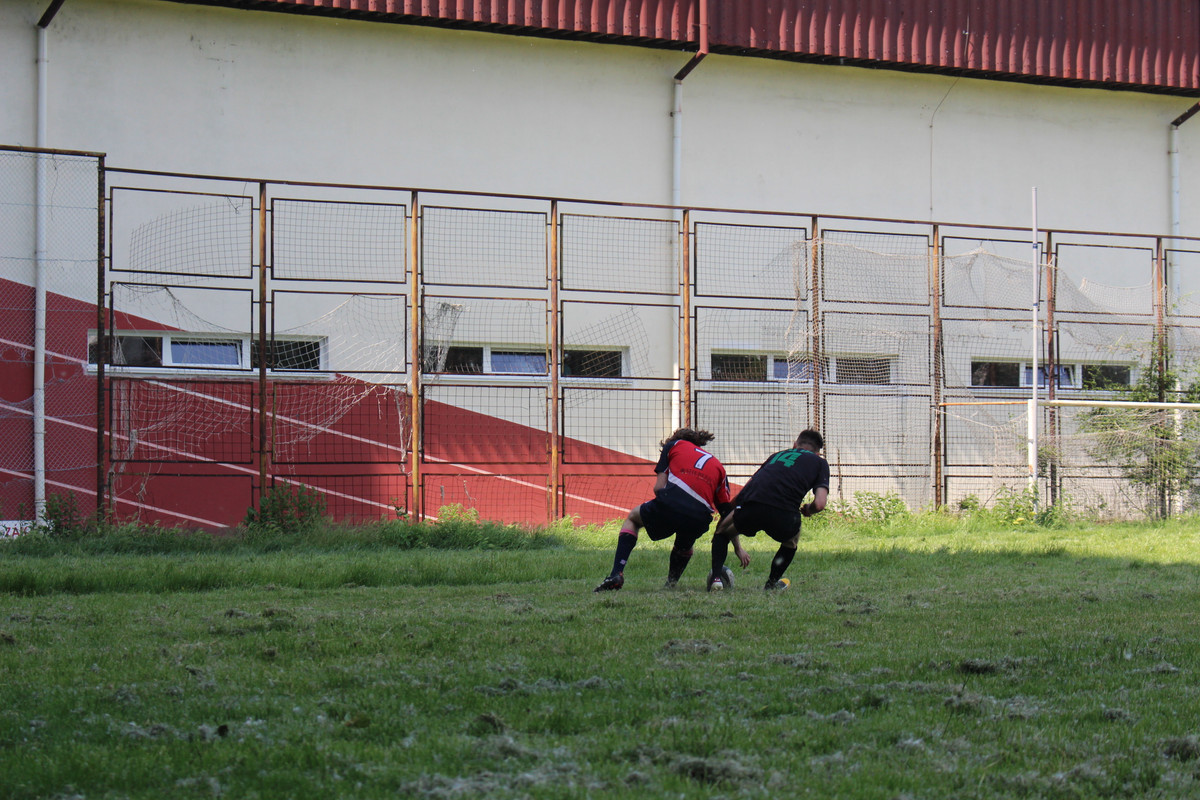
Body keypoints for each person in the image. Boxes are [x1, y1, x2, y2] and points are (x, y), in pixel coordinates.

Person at [594, 428, 733, 592]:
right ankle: (671, 583)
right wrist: (738, 547)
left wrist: (669, 506)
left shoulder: (674, 445)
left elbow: (659, 487)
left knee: (632, 518)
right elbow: (727, 513)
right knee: (685, 544)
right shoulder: (718, 466)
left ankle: (616, 574)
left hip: (671, 504)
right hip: (699, 518)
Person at [709, 429, 830, 591]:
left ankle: (716, 579)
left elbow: (751, 484)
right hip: (783, 514)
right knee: (791, 540)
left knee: (722, 532)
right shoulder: (820, 463)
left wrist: (728, 514)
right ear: (818, 453)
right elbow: (820, 503)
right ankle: (771, 584)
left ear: (795, 445)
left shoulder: (777, 456)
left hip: (752, 506)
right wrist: (809, 509)